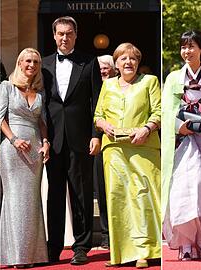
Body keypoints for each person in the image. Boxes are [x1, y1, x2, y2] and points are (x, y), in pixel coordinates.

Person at [161, 30, 201, 261]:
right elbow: (165, 110)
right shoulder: (172, 79)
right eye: (184, 47)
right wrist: (178, 126)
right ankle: (185, 244)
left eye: (191, 46)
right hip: (183, 142)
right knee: (183, 191)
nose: (186, 51)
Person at [41, 16, 102, 265]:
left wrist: (96, 135)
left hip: (81, 139)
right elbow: (40, 104)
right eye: (60, 33)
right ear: (54, 35)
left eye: (69, 33)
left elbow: (97, 102)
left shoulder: (90, 62)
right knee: (54, 195)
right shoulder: (43, 64)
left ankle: (81, 246)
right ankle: (53, 247)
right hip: (53, 139)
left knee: (81, 194)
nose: (64, 38)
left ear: (76, 35)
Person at [94, 42, 161, 269]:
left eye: (132, 58)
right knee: (117, 198)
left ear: (138, 62)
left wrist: (147, 129)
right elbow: (98, 114)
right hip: (113, 149)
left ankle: (145, 251)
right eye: (123, 59)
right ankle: (121, 253)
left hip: (144, 147)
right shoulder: (108, 85)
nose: (128, 62)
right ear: (117, 64)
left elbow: (159, 111)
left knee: (143, 197)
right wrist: (103, 125)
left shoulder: (150, 81)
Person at [0, 48, 50, 267]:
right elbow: (0, 119)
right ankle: (15, 256)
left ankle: (33, 255)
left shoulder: (39, 92)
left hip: (35, 150)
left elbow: (42, 122)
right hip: (12, 150)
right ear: (19, 63)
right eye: (28, 61)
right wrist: (14, 140)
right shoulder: (6, 87)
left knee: (31, 201)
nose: (32, 65)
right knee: (14, 199)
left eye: (36, 62)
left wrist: (46, 143)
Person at [94, 54, 117, 249]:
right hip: (98, 144)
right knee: (102, 190)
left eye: (106, 67)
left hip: (121, 144)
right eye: (100, 67)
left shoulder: (119, 86)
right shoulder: (92, 87)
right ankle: (106, 235)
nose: (102, 70)